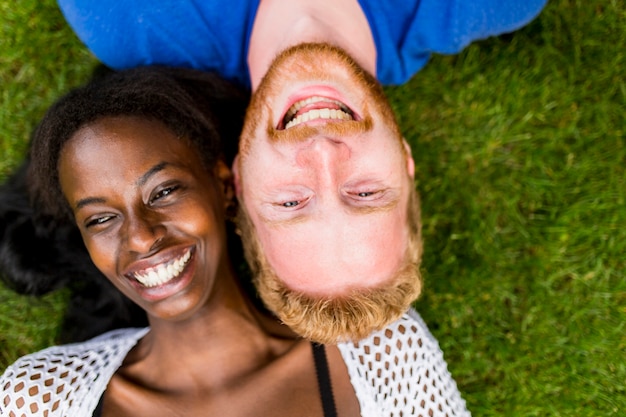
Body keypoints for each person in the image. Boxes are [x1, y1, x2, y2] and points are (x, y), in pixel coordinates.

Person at [53, 0, 547, 341]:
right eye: (366, 193)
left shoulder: (128, 20)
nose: (322, 153)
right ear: (404, 158)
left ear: (240, 181)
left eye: (292, 202)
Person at [0, 66, 470, 416]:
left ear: (224, 187)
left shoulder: (379, 352)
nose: (141, 237)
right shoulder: (42, 399)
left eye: (164, 191)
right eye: (101, 219)